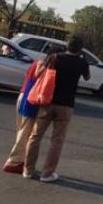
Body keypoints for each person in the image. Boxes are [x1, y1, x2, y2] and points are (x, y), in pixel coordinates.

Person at [23, 36, 90, 183]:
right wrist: (82, 59)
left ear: (66, 46)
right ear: (80, 49)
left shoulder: (54, 58)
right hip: (66, 105)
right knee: (57, 141)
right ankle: (47, 174)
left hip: (47, 101)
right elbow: (87, 77)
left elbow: (38, 74)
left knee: (35, 136)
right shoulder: (82, 62)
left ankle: (28, 169)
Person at [2, 53, 52, 174]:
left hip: (23, 95)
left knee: (21, 130)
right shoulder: (47, 66)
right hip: (32, 100)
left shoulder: (37, 62)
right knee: (25, 133)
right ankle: (14, 162)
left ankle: (19, 160)